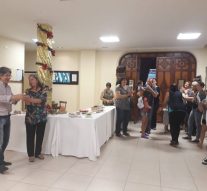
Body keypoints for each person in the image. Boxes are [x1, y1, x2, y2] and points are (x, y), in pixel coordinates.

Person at [0, 67, 23, 173]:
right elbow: (2, 98)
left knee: (5, 140)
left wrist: (17, 99)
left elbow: (11, 99)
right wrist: (13, 97)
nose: (8, 77)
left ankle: (1, 160)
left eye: (9, 75)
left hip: (7, 115)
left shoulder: (8, 87)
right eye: (6, 75)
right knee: (0, 141)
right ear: (0, 76)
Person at [22, 74, 47, 162]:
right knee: (30, 136)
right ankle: (31, 155)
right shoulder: (27, 91)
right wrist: (34, 101)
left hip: (41, 117)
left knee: (40, 136)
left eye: (32, 79)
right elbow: (27, 104)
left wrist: (30, 100)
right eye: (30, 80)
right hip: (30, 117)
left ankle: (38, 153)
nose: (31, 81)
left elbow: (41, 100)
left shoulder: (43, 90)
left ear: (37, 80)